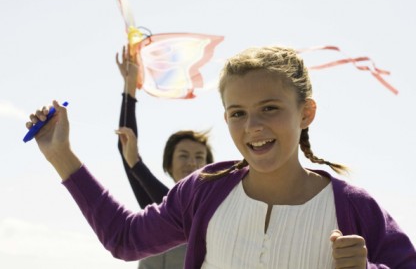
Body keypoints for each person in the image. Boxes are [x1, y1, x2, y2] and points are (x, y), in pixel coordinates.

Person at [26, 46, 416, 268]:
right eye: (238, 113)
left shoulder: (353, 207)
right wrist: (61, 155)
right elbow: (125, 239)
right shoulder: (203, 192)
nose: (253, 127)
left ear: (307, 113)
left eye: (269, 108)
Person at [114, 46, 214, 269]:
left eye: (200, 156)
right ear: (169, 164)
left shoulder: (210, 211)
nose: (192, 162)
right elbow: (125, 146)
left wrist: (137, 165)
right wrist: (130, 89)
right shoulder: (155, 205)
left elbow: (180, 211)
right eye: (183, 155)